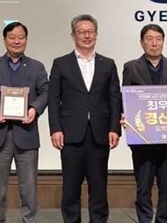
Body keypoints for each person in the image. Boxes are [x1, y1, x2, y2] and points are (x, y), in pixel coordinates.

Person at [48, 14, 122, 223]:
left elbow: (115, 98)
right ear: (73, 35)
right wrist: (55, 129)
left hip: (100, 135)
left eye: (90, 32)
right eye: (82, 32)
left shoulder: (108, 64)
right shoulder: (61, 64)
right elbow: (53, 99)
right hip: (70, 135)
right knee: (71, 188)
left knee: (99, 188)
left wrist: (114, 128)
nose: (86, 36)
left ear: (96, 35)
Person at [0, 21, 49, 223]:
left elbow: (46, 92)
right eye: (12, 37)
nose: (17, 41)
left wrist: (34, 109)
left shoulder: (37, 67)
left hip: (27, 134)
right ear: (5, 40)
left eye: (21, 37)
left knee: (29, 188)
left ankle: (29, 221)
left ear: (26, 40)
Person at [122, 24, 167, 223]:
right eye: (149, 39)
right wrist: (124, 116)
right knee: (143, 187)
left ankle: (164, 220)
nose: (154, 43)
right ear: (142, 42)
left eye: (158, 39)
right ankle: (144, 219)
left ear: (163, 41)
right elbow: (125, 99)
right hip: (142, 139)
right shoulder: (131, 67)